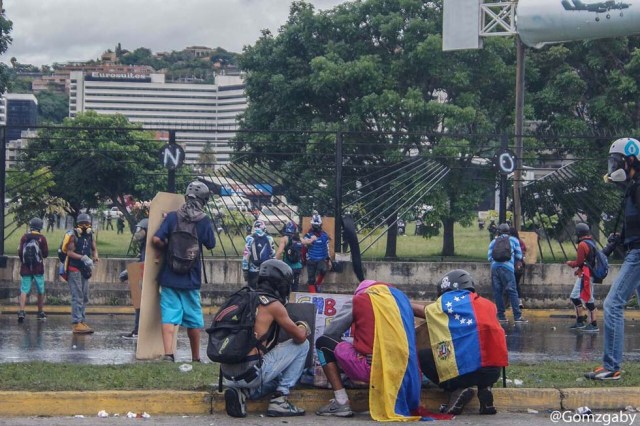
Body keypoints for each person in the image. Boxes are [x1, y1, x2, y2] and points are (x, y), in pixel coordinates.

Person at [314, 280, 422, 421]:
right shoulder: (402, 303)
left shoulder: (360, 300)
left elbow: (331, 332)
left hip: (373, 369)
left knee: (323, 342)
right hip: (408, 373)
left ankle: (341, 402)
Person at [222, 259, 310, 418]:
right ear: (280, 284)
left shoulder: (243, 297)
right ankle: (280, 400)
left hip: (227, 374)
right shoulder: (273, 305)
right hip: (250, 373)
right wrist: (303, 326)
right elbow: (300, 337)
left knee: (277, 375)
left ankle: (244, 393)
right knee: (304, 346)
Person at [412, 269, 507, 415]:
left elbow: (422, 311)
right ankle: (485, 389)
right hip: (493, 371)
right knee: (481, 349)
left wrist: (399, 302)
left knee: (423, 355)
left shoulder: (446, 303)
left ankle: (456, 389)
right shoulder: (488, 305)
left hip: (465, 374)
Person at [584, 137, 640, 380]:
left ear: (630, 160)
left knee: (612, 304)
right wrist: (621, 238)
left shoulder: (638, 188)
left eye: (616, 161)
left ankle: (612, 366)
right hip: (634, 250)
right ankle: (611, 365)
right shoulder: (633, 188)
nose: (613, 166)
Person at [152, 181, 216, 362]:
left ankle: (168, 355)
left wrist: (166, 245)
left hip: (169, 276)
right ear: (204, 200)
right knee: (194, 320)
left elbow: (156, 239)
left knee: (170, 318)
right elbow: (211, 244)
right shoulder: (203, 220)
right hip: (191, 279)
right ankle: (195, 357)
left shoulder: (172, 217)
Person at [65, 213, 99, 334]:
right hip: (74, 268)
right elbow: (69, 252)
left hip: (84, 269)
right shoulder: (74, 236)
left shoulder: (90, 235)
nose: (84, 226)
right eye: (82, 224)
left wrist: (95, 257)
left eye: (87, 223)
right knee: (77, 295)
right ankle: (76, 322)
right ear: (77, 225)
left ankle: (82, 320)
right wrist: (83, 258)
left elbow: (94, 249)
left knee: (84, 296)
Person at [488, 223, 526, 323]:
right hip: (507, 268)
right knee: (512, 291)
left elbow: (489, 257)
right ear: (508, 231)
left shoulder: (494, 241)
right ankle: (517, 317)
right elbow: (519, 255)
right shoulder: (513, 240)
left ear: (498, 232)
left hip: (495, 268)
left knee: (497, 292)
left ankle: (501, 316)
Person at [565, 223, 599, 332]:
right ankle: (581, 321)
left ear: (578, 233)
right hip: (588, 273)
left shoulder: (582, 245)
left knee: (583, 297)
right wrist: (579, 270)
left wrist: (571, 263)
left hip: (586, 275)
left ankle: (592, 324)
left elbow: (579, 262)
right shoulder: (592, 243)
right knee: (581, 297)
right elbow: (587, 261)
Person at [121, 218, 148, 339]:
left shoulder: (149, 246)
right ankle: (137, 330)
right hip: (142, 279)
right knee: (138, 305)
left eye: (141, 230)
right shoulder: (144, 244)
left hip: (148, 280)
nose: (138, 232)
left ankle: (139, 331)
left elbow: (147, 264)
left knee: (141, 306)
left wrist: (129, 272)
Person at [17, 217, 49, 323]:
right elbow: (45, 254)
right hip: (38, 269)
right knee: (40, 290)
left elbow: (20, 252)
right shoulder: (42, 238)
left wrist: (24, 262)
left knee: (24, 289)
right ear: (40, 227)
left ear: (30, 226)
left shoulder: (24, 237)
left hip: (26, 268)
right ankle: (40, 312)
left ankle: (21, 311)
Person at [301, 213, 331, 293]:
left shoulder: (324, 235)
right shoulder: (308, 235)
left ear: (321, 225)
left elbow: (327, 247)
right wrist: (303, 259)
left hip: (321, 259)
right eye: (314, 225)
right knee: (311, 279)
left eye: (317, 225)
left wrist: (329, 259)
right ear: (312, 225)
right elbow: (304, 247)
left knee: (323, 270)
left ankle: (318, 284)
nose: (316, 226)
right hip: (311, 259)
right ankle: (313, 296)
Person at [242, 220, 275, 288]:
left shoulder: (250, 238)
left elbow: (246, 255)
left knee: (252, 291)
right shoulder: (270, 239)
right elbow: (273, 254)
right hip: (266, 270)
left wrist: (245, 269)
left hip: (253, 269)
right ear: (264, 228)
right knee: (265, 290)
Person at [276, 220, 303, 292]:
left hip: (287, 267)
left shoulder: (284, 239)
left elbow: (279, 252)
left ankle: (286, 301)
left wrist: (275, 261)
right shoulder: (299, 239)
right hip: (298, 267)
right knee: (295, 287)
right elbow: (308, 242)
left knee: (285, 286)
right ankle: (293, 301)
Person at [510, 227, 527, 309]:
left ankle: (513, 302)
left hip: (511, 266)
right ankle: (519, 301)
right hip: (520, 266)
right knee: (516, 284)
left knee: (511, 284)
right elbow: (522, 255)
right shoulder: (521, 242)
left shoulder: (510, 242)